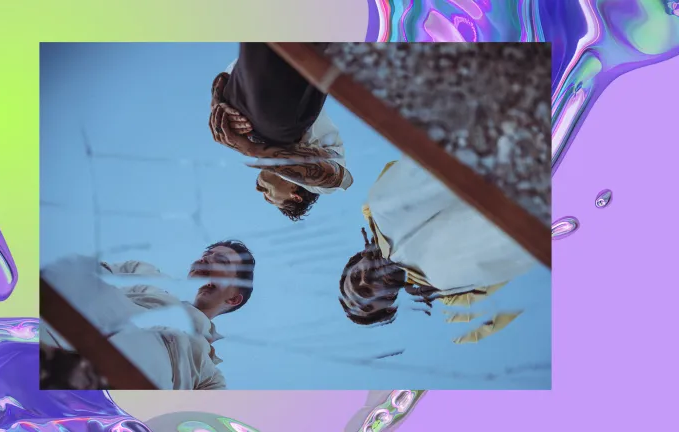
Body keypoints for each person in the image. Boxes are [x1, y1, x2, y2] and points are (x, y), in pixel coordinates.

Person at [338, 157, 537, 339]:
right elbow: (506, 309)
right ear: (389, 303)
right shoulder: (451, 293)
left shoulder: (378, 206)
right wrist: (446, 293)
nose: (364, 282)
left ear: (359, 257)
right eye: (366, 299)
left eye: (355, 278)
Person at [39, 240, 255, 390]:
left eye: (222, 261)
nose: (206, 259)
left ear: (233, 299)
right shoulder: (145, 275)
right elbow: (85, 275)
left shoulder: (208, 372)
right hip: (78, 324)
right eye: (205, 255)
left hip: (142, 375)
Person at [208, 43, 354, 221]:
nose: (259, 190)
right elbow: (336, 177)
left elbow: (222, 78)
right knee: (276, 133)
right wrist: (251, 150)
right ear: (295, 195)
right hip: (283, 118)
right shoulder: (324, 185)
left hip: (245, 90)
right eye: (269, 199)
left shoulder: (254, 135)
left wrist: (218, 103)